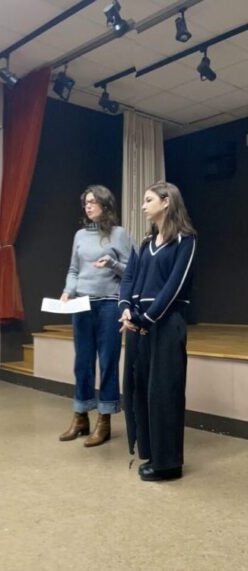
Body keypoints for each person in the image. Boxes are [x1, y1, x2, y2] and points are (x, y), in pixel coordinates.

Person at [120, 181, 196, 482]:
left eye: (148, 200)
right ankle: (151, 452)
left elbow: (174, 287)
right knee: (140, 390)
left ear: (166, 202)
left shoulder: (185, 240)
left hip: (165, 324)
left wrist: (146, 319)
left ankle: (168, 465)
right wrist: (126, 309)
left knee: (164, 392)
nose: (143, 206)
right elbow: (129, 279)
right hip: (139, 323)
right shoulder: (145, 243)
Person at [58, 185, 132, 447]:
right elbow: (73, 270)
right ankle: (80, 417)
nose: (88, 206)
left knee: (108, 361)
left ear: (105, 204)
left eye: (92, 202)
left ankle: (105, 421)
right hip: (81, 305)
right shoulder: (79, 235)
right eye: (85, 202)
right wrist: (68, 290)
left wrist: (111, 263)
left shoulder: (119, 234)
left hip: (109, 305)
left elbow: (131, 271)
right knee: (82, 362)